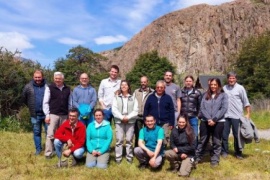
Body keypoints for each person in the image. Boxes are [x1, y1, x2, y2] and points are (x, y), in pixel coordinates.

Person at [195, 78, 228, 167]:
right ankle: (197, 157)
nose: (213, 86)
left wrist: (215, 119)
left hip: (219, 122)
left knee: (216, 141)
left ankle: (215, 159)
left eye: (215, 84)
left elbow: (224, 108)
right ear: (209, 85)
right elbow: (202, 108)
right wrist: (209, 119)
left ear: (218, 85)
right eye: (211, 84)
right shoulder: (205, 95)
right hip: (205, 121)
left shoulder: (223, 95)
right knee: (202, 140)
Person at [222, 72, 251, 159]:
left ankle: (238, 152)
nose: (231, 80)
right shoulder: (224, 88)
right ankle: (224, 151)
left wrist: (248, 113)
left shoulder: (240, 88)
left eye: (233, 78)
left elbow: (246, 102)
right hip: (226, 116)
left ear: (236, 79)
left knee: (237, 135)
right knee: (224, 135)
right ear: (227, 79)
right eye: (230, 78)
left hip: (237, 116)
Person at [43, 72, 71, 159]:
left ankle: (62, 152)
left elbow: (70, 102)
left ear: (63, 79)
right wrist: (47, 115)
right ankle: (48, 153)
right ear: (54, 79)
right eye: (56, 78)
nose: (57, 80)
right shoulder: (49, 88)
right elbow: (45, 102)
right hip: (53, 114)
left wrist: (69, 114)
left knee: (64, 134)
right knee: (50, 134)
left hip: (64, 115)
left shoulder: (68, 89)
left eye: (59, 78)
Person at [22, 70, 48, 155]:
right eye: (36, 77)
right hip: (35, 114)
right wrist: (31, 107)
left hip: (47, 114)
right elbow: (24, 99)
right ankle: (38, 150)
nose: (37, 79)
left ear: (42, 77)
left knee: (49, 133)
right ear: (33, 77)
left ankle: (50, 149)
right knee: (37, 133)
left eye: (39, 77)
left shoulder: (48, 86)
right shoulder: (28, 87)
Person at [112, 80, 138, 164]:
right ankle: (118, 158)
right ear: (120, 87)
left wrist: (128, 117)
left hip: (130, 121)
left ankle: (129, 157)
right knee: (119, 140)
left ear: (128, 86)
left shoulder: (133, 97)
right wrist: (122, 117)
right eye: (122, 85)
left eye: (125, 85)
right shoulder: (116, 97)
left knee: (129, 140)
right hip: (119, 121)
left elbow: (136, 110)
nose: (123, 86)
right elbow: (114, 109)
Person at [144, 80, 175, 147]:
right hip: (153, 122)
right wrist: (145, 121)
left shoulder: (168, 98)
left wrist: (171, 123)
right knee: (153, 137)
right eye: (158, 87)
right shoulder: (150, 97)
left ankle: (162, 152)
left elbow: (171, 111)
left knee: (164, 138)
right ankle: (153, 150)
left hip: (165, 122)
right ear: (156, 88)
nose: (159, 89)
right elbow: (146, 109)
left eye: (161, 87)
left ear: (164, 88)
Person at [180, 75, 202, 146]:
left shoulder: (197, 92)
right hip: (183, 118)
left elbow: (200, 105)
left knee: (194, 135)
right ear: (184, 82)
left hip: (193, 117)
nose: (188, 83)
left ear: (193, 82)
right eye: (187, 81)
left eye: (190, 81)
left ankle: (194, 151)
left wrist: (198, 116)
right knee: (183, 135)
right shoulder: (181, 92)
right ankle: (184, 150)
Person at [133, 76, 154, 147]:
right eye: (142, 82)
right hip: (138, 116)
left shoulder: (152, 92)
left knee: (149, 133)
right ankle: (137, 149)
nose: (143, 83)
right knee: (138, 134)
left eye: (144, 82)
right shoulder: (136, 91)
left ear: (147, 82)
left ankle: (149, 147)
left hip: (148, 116)